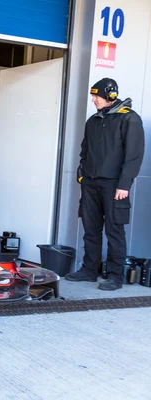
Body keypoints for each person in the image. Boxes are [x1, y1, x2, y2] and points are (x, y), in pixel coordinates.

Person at [65, 78, 145, 291]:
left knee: (114, 230)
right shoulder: (93, 121)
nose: (93, 100)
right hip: (90, 183)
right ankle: (89, 270)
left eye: (97, 96)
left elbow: (134, 156)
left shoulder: (130, 119)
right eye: (93, 96)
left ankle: (114, 275)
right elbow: (85, 151)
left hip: (114, 185)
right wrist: (82, 176)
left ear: (110, 96)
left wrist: (124, 185)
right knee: (90, 229)